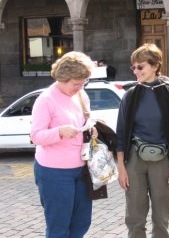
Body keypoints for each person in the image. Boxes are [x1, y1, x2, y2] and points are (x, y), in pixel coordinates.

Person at [116, 43, 169, 238]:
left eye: (141, 67)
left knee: (161, 215)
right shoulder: (130, 95)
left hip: (164, 159)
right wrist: (121, 166)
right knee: (135, 215)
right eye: (134, 67)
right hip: (134, 159)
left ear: (155, 66)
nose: (136, 71)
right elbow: (121, 132)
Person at [31, 51, 98, 238]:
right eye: (76, 84)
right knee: (59, 226)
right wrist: (59, 132)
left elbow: (85, 120)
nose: (79, 88)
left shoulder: (81, 95)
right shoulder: (45, 100)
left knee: (82, 222)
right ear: (63, 77)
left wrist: (90, 129)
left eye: (83, 83)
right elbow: (36, 136)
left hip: (82, 169)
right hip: (54, 172)